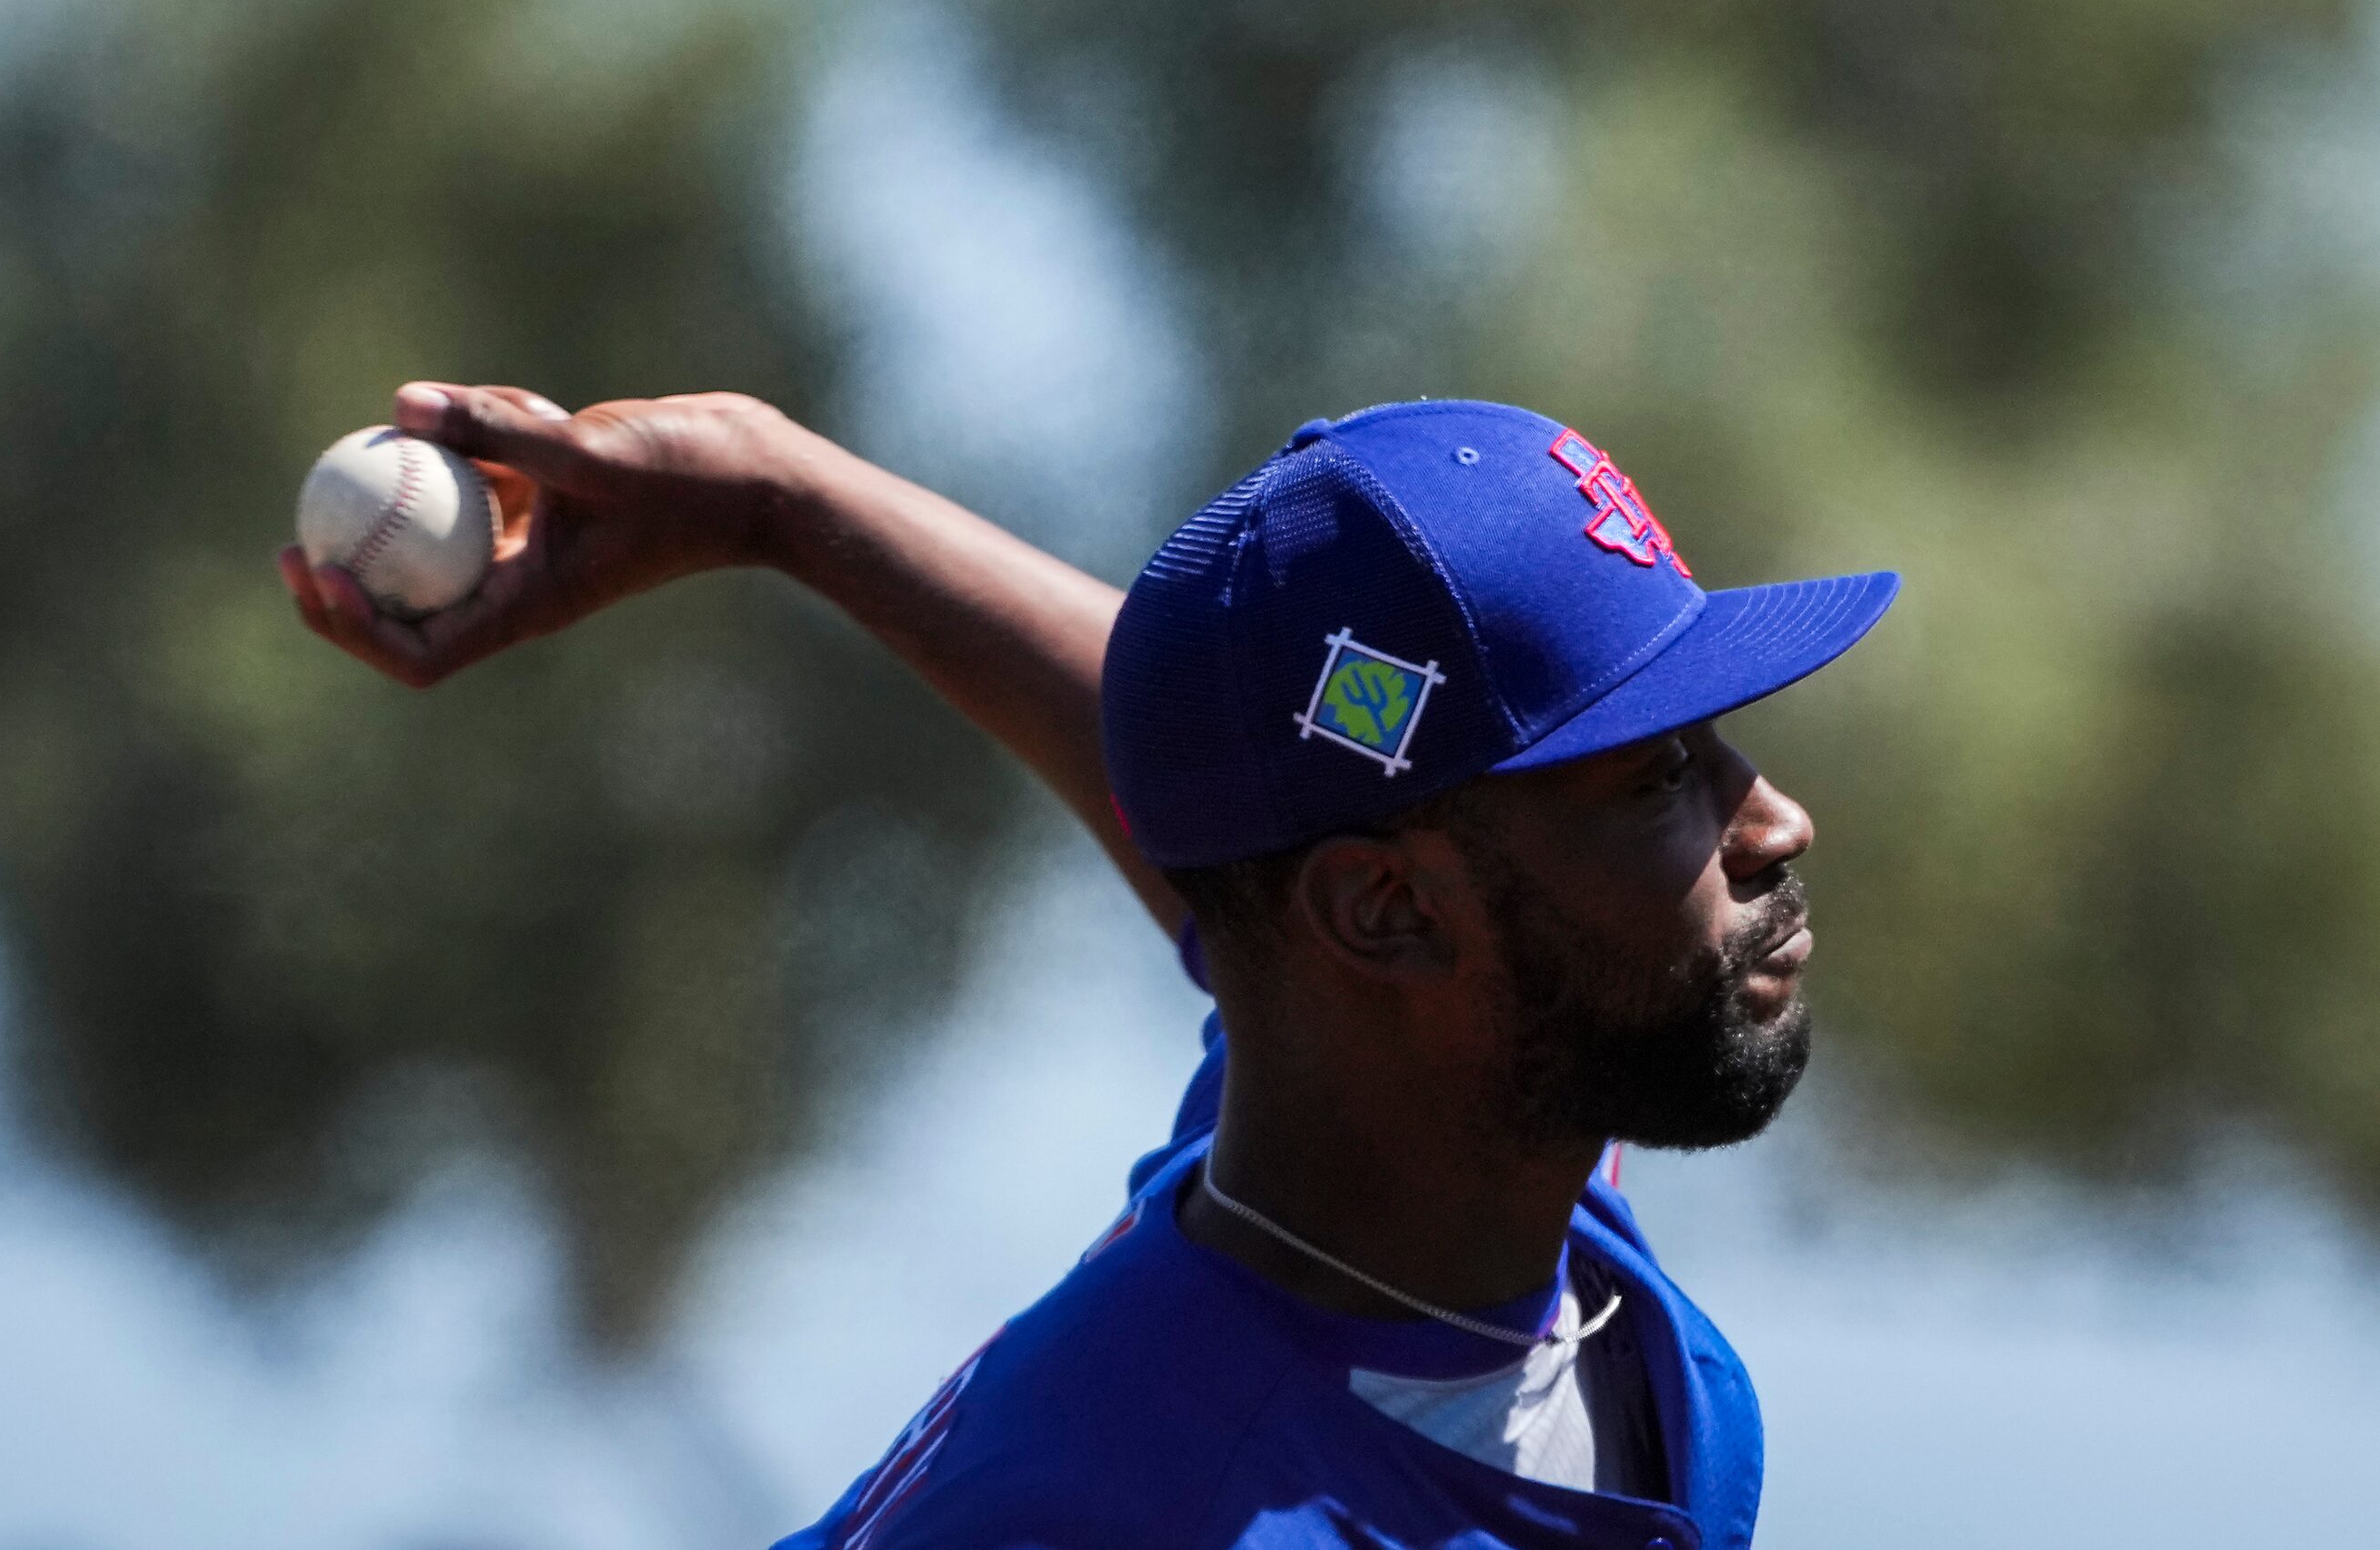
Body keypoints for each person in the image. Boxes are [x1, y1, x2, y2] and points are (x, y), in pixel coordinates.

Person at [281, 382, 1899, 1550]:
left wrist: (782, 499)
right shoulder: (1121, 1505)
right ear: (1388, 916)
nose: (1773, 817)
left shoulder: (1463, 1150)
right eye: (1649, 776)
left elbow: (1239, 838)